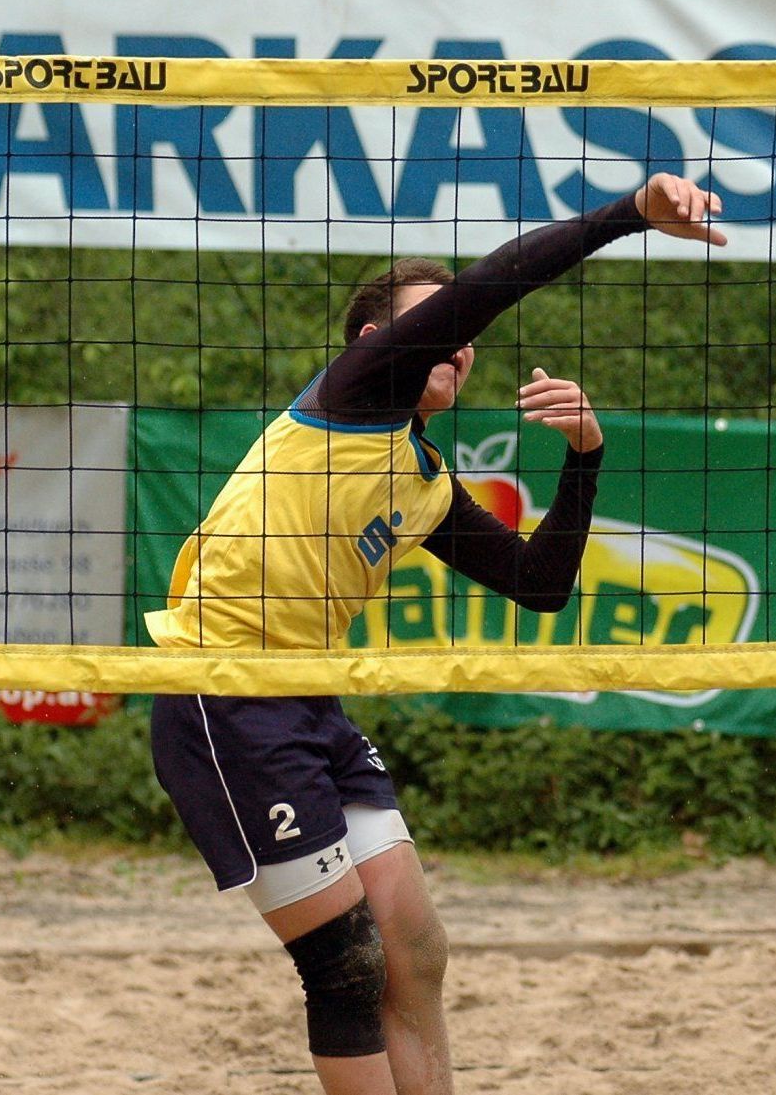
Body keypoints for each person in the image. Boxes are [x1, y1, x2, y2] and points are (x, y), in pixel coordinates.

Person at [145, 174, 726, 1095]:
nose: (458, 341)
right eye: (435, 323)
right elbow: (492, 283)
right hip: (224, 696)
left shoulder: (423, 478)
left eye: (462, 339)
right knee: (346, 966)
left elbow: (540, 585)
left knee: (415, 950)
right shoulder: (354, 390)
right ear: (377, 342)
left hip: (309, 700)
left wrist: (586, 458)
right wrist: (627, 215)